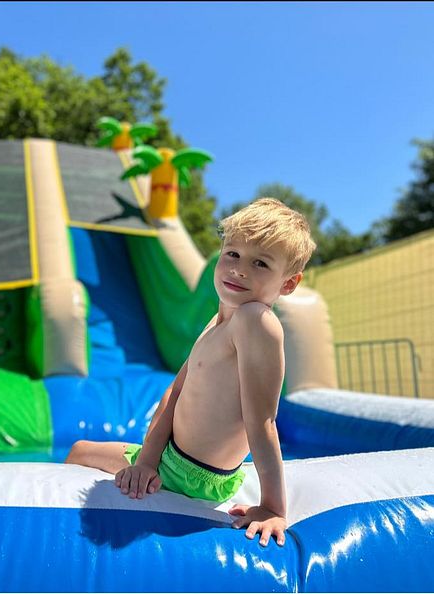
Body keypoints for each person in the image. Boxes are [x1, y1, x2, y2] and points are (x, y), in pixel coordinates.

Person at [65, 198, 316, 547]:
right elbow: (175, 392)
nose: (239, 269)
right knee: (79, 450)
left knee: (79, 450)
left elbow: (263, 421)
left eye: (260, 263)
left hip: (190, 474)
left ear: (288, 283)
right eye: (232, 254)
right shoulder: (218, 321)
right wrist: (147, 462)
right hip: (171, 461)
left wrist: (272, 507)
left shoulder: (255, 321)